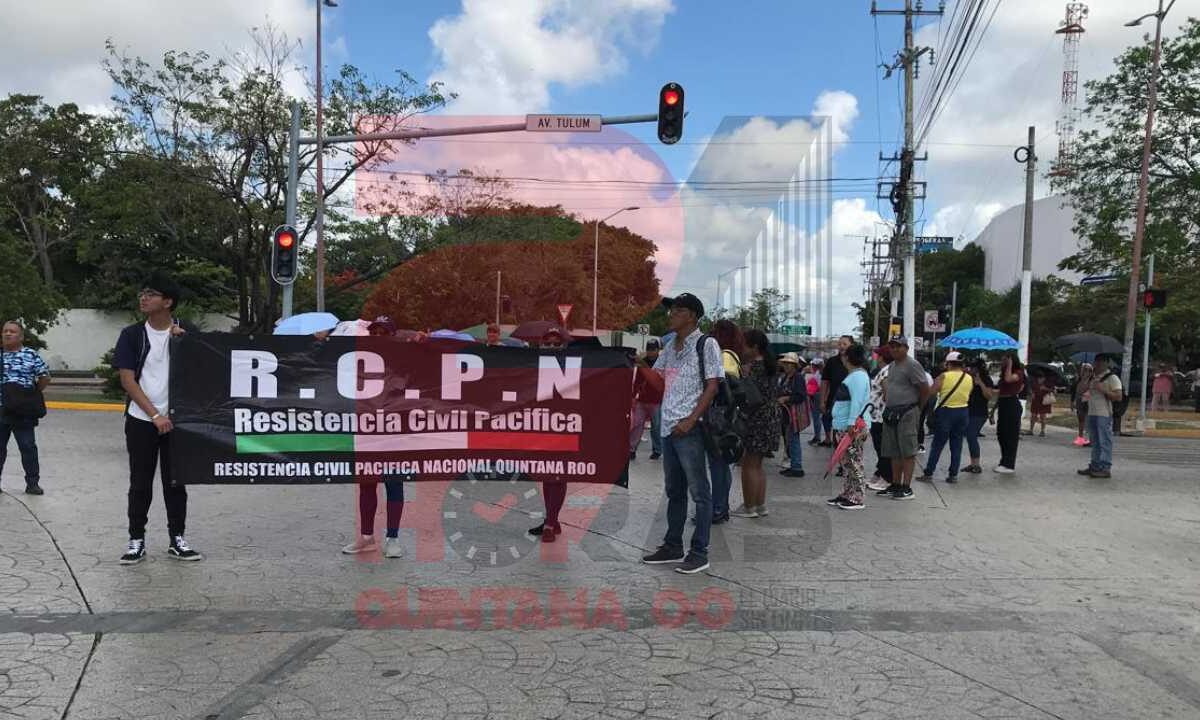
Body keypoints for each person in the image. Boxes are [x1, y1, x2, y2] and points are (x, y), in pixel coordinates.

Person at [113, 273, 202, 564]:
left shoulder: (186, 331)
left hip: (177, 420)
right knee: (140, 482)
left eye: (151, 294)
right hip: (142, 418)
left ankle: (177, 538)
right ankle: (135, 540)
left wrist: (186, 343)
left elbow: (208, 365)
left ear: (168, 301)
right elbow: (127, 379)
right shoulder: (131, 335)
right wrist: (153, 415)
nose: (144, 298)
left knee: (176, 482)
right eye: (143, 293)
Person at [641, 293, 721, 575]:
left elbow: (712, 386)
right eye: (671, 310)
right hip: (668, 428)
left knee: (699, 492)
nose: (671, 315)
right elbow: (656, 378)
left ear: (691, 316)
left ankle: (699, 552)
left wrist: (691, 420)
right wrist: (634, 366)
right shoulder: (668, 346)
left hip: (690, 429)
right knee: (674, 490)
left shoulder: (706, 344)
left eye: (677, 310)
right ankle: (672, 545)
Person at [342, 319, 407, 558]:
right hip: (367, 431)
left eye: (384, 332)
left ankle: (393, 537)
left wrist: (427, 344)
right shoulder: (359, 360)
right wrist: (320, 345)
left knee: (394, 484)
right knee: (367, 485)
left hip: (394, 432)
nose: (379, 336)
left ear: (393, 334)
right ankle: (367, 536)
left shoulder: (404, 359)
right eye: (375, 332)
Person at [731, 330, 780, 519]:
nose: (742, 349)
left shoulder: (755, 368)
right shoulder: (770, 366)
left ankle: (748, 506)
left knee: (749, 464)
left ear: (755, 347)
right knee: (758, 465)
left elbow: (751, 396)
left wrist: (744, 377)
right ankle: (760, 505)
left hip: (757, 418)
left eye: (745, 345)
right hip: (770, 418)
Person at [0, 321, 51, 495]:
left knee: (28, 447)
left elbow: (44, 376)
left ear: (20, 336)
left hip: (23, 412)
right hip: (1, 410)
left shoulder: (30, 354)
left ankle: (32, 484)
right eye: (5, 331)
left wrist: (32, 394)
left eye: (12, 332)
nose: (7, 334)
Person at [530, 328, 570, 541]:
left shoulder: (574, 366)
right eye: (548, 344)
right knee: (547, 473)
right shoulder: (532, 364)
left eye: (557, 344)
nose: (552, 348)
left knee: (559, 473)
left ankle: (550, 521)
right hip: (542, 425)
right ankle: (551, 519)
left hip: (566, 427)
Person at [877, 336, 929, 501]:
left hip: (908, 411)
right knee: (894, 451)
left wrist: (918, 408)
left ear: (906, 348)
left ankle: (906, 487)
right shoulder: (892, 366)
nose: (894, 349)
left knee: (907, 451)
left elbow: (924, 388)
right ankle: (896, 484)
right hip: (892, 412)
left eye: (898, 346)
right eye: (892, 347)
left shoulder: (912, 365)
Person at [707, 319, 744, 525]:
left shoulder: (725, 356)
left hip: (720, 418)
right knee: (723, 465)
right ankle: (721, 507)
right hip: (728, 417)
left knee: (718, 465)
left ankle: (718, 508)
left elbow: (724, 385)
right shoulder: (734, 356)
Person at [917, 351, 974, 484]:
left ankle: (929, 473)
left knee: (937, 445)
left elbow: (931, 392)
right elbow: (969, 393)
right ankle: (953, 475)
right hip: (963, 412)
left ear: (948, 363)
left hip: (947, 413)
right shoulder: (968, 378)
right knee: (957, 444)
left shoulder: (944, 376)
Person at [826, 343, 871, 509]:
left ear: (848, 357)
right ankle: (847, 493)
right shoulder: (855, 376)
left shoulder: (858, 377)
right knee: (847, 463)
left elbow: (857, 401)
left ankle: (857, 497)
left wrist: (852, 422)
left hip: (851, 427)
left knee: (854, 462)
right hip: (846, 425)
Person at [1078, 355, 1123, 479]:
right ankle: (1095, 465)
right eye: (1096, 362)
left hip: (1104, 414)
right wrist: (1084, 378)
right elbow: (1081, 390)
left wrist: (1103, 389)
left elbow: (1119, 396)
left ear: (1106, 363)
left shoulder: (1112, 378)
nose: (1097, 365)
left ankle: (1105, 467)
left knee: (1104, 441)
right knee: (1095, 442)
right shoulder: (1093, 377)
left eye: (1100, 362)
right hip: (1092, 412)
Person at [865, 344, 893, 492]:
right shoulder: (883, 371)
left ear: (882, 357)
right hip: (876, 415)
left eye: (877, 355)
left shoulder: (886, 372)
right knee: (880, 448)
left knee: (882, 449)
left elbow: (888, 393)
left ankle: (887, 478)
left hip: (880, 416)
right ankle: (880, 473)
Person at [630, 338, 663, 461]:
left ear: (657, 350)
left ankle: (657, 450)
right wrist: (633, 395)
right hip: (642, 399)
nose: (650, 352)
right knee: (637, 425)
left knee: (657, 427)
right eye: (648, 349)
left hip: (657, 400)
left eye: (653, 349)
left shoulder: (661, 363)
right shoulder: (642, 362)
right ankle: (631, 450)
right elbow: (637, 381)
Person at [993, 352, 1026, 474]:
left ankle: (1009, 464)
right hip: (1003, 403)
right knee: (1001, 433)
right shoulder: (1004, 373)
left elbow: (1008, 379)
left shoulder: (1018, 373)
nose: (1002, 362)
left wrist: (1009, 364)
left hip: (1012, 403)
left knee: (1010, 434)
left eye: (1004, 360)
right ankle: (1004, 460)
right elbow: (1001, 390)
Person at [776, 352, 806, 478]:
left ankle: (797, 466)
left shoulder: (797, 378)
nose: (787, 366)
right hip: (786, 413)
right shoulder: (785, 377)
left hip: (793, 413)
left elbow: (800, 396)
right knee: (789, 438)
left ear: (794, 365)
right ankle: (793, 464)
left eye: (789, 364)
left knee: (793, 439)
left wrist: (786, 398)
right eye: (786, 363)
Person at [819, 336, 853, 447]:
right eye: (839, 344)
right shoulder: (832, 361)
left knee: (848, 433)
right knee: (836, 429)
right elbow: (825, 381)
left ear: (851, 345)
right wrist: (822, 401)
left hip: (851, 402)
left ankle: (845, 458)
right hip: (834, 401)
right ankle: (836, 452)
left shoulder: (856, 362)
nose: (841, 346)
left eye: (844, 344)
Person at [963, 358, 995, 473]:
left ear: (978, 369)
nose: (970, 369)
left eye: (973, 368)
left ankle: (976, 464)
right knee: (969, 437)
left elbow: (989, 396)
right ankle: (973, 464)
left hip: (979, 413)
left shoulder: (986, 379)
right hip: (968, 411)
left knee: (971, 436)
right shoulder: (968, 379)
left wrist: (980, 383)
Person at [1071, 363, 1093, 446]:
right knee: (1081, 419)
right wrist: (1072, 402)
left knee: (1089, 420)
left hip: (1089, 402)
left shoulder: (1092, 381)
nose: (1087, 372)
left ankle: (1091, 439)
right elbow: (1073, 391)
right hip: (1079, 401)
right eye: (1085, 370)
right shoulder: (1078, 380)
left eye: (1089, 370)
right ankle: (1080, 437)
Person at [805, 359, 824, 445]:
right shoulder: (819, 373)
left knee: (816, 417)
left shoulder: (818, 375)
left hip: (816, 396)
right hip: (818, 396)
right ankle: (818, 436)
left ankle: (817, 437)